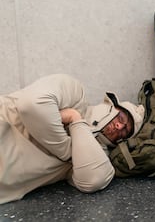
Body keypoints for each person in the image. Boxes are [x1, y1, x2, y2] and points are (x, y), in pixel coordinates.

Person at [0, 74, 145, 204]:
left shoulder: (97, 154)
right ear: (111, 105)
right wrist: (70, 153)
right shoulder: (76, 95)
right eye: (121, 117)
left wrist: (74, 119)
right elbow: (31, 105)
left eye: (126, 131)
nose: (120, 126)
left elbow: (95, 179)